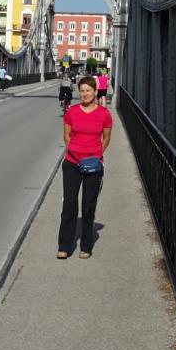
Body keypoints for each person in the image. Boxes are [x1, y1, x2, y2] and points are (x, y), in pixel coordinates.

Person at [58, 77, 113, 260]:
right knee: (69, 204)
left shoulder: (104, 114)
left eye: (88, 90)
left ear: (95, 91)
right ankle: (65, 246)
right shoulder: (72, 112)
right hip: (72, 163)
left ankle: (86, 246)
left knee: (88, 207)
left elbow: (106, 138)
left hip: (93, 165)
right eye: (82, 90)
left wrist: (95, 155)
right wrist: (75, 153)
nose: (85, 94)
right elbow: (66, 136)